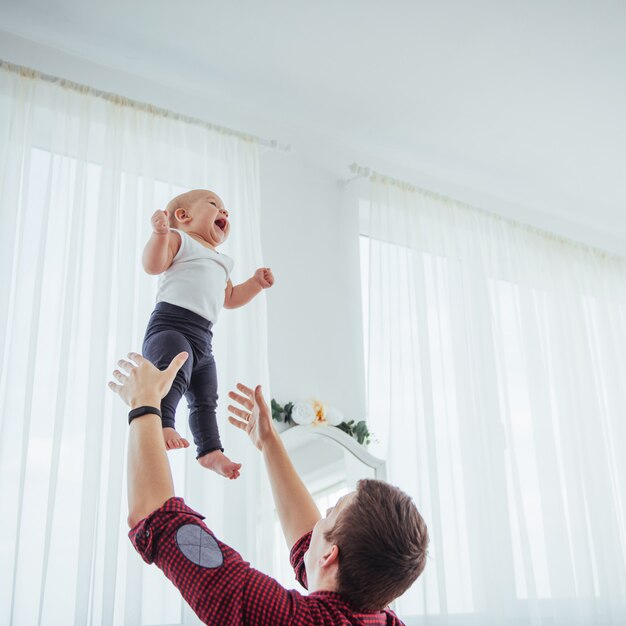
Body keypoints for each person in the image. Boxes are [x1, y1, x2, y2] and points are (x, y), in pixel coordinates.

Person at [108, 351, 429, 625]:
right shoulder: (376, 613)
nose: (319, 519)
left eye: (329, 514)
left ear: (330, 555)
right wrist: (269, 442)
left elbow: (154, 518)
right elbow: (311, 550)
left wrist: (145, 402)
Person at [141, 189, 274, 479]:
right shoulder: (180, 240)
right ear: (183, 216)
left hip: (204, 337)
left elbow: (231, 298)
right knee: (175, 374)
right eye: (215, 205)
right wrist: (160, 234)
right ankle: (164, 422)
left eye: (226, 210)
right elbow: (153, 266)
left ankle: (210, 451)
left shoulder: (222, 261)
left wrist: (254, 283)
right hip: (170, 326)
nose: (224, 212)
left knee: (205, 396)